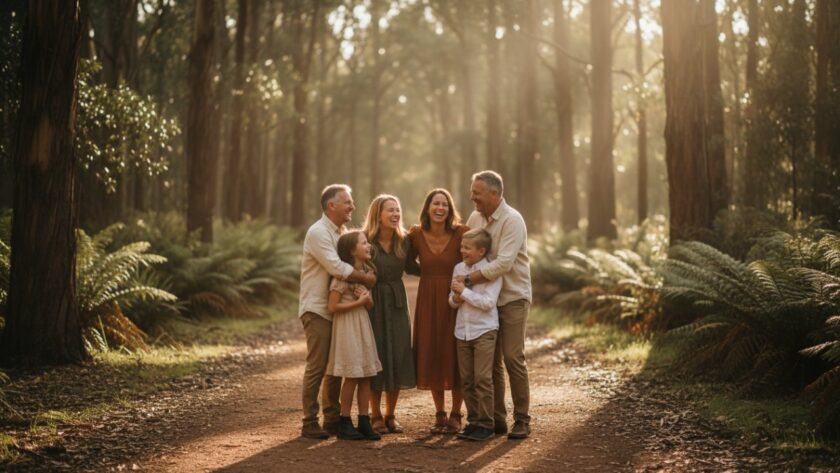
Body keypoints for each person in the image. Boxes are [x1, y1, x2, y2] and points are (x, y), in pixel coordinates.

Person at [299, 184, 376, 440]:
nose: (353, 206)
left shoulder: (342, 232)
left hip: (338, 311)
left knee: (334, 368)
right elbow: (337, 268)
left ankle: (332, 419)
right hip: (318, 308)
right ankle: (309, 421)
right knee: (318, 366)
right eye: (348, 202)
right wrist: (366, 280)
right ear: (331, 205)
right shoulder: (318, 232)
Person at [462, 171, 533, 440]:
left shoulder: (512, 220)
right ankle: (497, 420)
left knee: (513, 357)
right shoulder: (475, 218)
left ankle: (523, 420)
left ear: (495, 194)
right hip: (485, 301)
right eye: (472, 192)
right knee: (491, 362)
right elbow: (468, 249)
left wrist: (468, 280)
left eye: (477, 193)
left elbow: (503, 263)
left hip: (512, 297)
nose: (472, 197)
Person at [407, 189, 468, 434]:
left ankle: (456, 413)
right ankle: (440, 413)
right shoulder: (416, 234)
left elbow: (475, 256)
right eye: (435, 203)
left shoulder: (462, 233)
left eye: (444, 204)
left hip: (454, 298)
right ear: (428, 208)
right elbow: (406, 261)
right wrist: (425, 275)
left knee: (454, 352)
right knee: (432, 350)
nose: (440, 207)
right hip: (428, 297)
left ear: (450, 208)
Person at [363, 194, 418, 434]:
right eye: (390, 210)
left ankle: (390, 414)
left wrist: (443, 271)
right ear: (378, 214)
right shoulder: (365, 240)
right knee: (376, 355)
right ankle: (374, 414)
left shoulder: (405, 241)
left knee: (398, 353)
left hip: (396, 302)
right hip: (372, 303)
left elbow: (414, 268)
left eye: (398, 210)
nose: (396, 214)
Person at [325, 231, 382, 441]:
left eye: (368, 242)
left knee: (366, 374)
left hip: (362, 325)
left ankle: (364, 420)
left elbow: (370, 305)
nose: (369, 246)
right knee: (352, 375)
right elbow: (332, 306)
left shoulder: (366, 272)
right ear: (351, 250)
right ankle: (345, 421)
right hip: (347, 326)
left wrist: (365, 300)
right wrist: (358, 302)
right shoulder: (343, 276)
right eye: (364, 243)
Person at [449, 228, 502, 441]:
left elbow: (488, 303)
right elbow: (451, 301)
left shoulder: (490, 271)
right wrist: (456, 299)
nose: (462, 251)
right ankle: (473, 422)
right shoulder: (458, 268)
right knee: (467, 379)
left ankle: (487, 424)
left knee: (482, 378)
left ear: (481, 251)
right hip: (462, 331)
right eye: (461, 247)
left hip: (484, 330)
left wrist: (464, 293)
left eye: (467, 248)